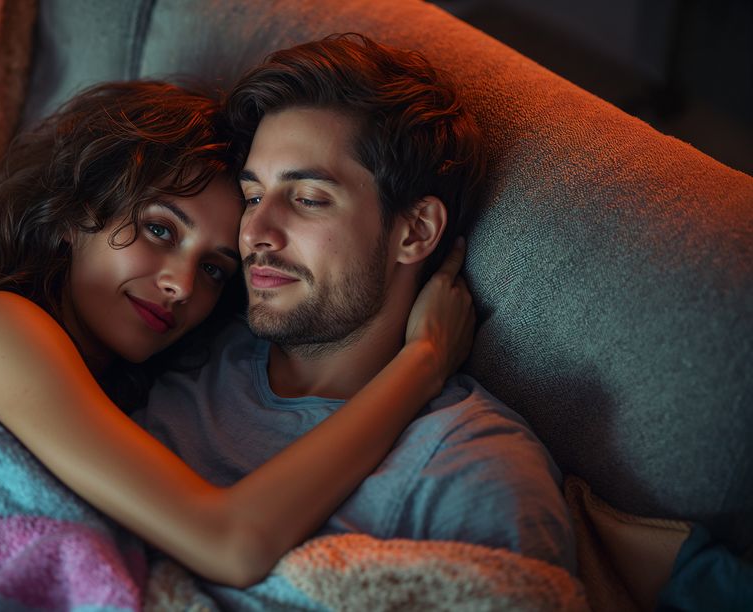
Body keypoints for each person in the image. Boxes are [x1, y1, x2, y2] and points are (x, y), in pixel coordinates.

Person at [0, 80, 477, 587]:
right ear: (72, 215)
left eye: (216, 268)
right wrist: (422, 360)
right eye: (162, 231)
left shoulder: (136, 388)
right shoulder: (0, 329)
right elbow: (230, 543)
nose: (181, 286)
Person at [132, 34, 577, 594]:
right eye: (252, 196)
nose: (255, 234)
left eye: (308, 199)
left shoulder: (472, 473)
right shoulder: (180, 338)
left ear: (414, 231)